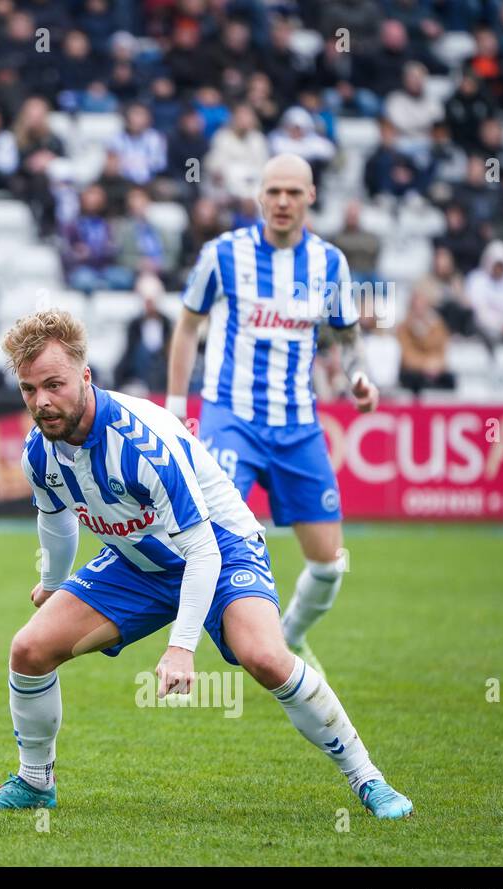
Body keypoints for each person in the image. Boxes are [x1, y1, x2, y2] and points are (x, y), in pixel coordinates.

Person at [0, 310, 412, 822]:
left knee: (264, 657)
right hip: (140, 558)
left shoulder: (141, 442)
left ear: (85, 377)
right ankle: (34, 782)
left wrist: (181, 649)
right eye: (28, 389)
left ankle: (368, 778)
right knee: (29, 649)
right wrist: (51, 585)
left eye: (54, 384)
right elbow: (57, 521)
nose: (41, 401)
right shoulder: (39, 452)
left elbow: (203, 552)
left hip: (220, 547)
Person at [167, 154, 380, 678]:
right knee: (207, 538)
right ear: (260, 197)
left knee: (330, 565)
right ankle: (191, 646)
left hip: (297, 425)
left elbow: (346, 336)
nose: (282, 201)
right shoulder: (222, 254)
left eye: (293, 192)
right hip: (230, 419)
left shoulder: (329, 263)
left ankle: (290, 639)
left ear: (310, 196)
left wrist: (358, 378)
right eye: (273, 191)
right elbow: (188, 326)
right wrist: (176, 409)